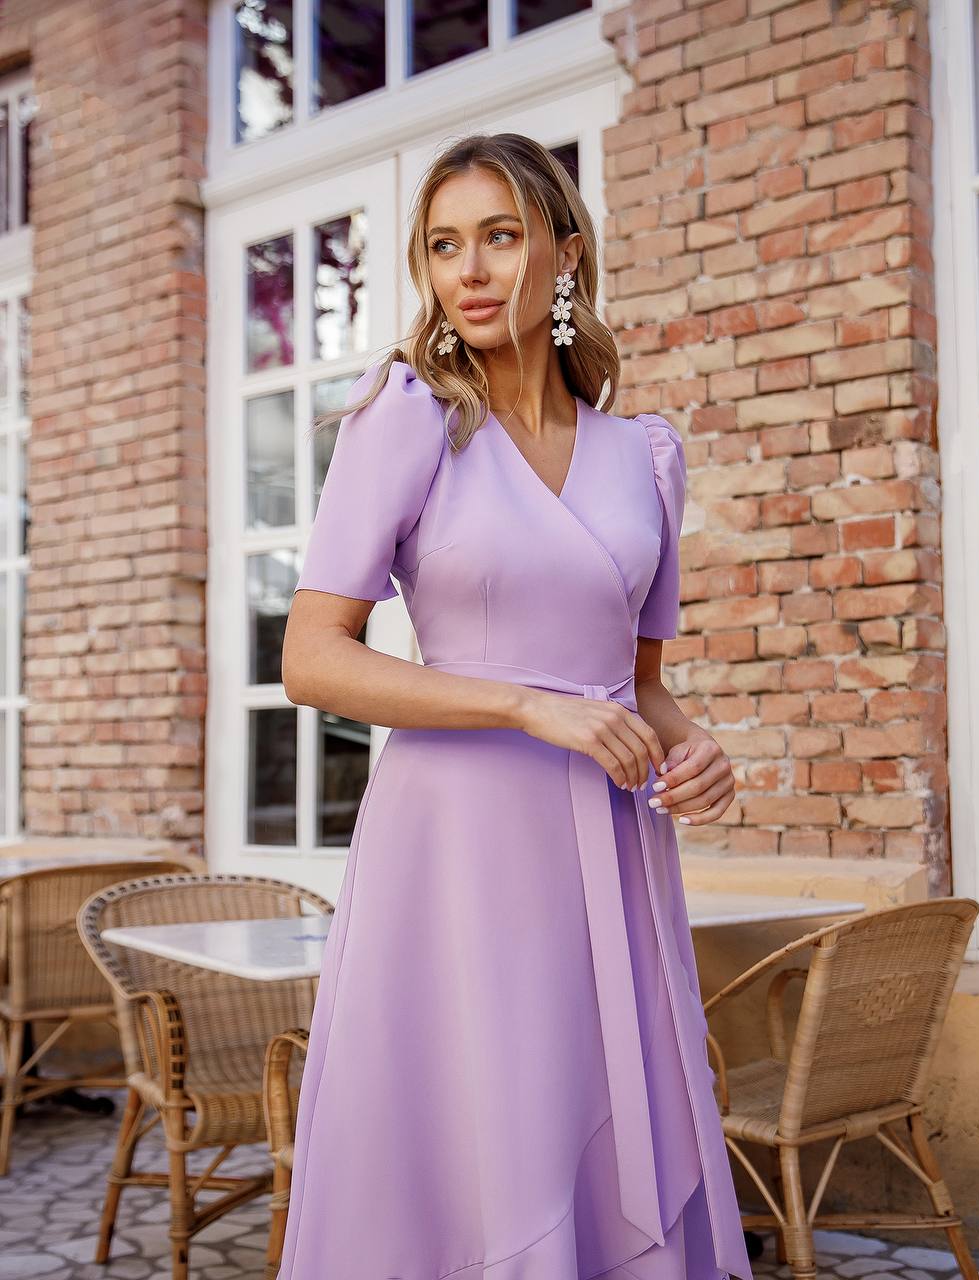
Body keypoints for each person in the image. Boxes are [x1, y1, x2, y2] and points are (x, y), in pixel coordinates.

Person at [277, 132, 752, 1280]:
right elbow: (311, 659)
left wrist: (699, 753)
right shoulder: (406, 418)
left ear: (565, 254)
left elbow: (638, 687)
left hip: (612, 843)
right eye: (445, 246)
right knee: (475, 1124)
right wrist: (530, 708)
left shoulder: (644, 455)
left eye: (500, 235)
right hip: (453, 845)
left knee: (592, 1113)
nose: (471, 269)